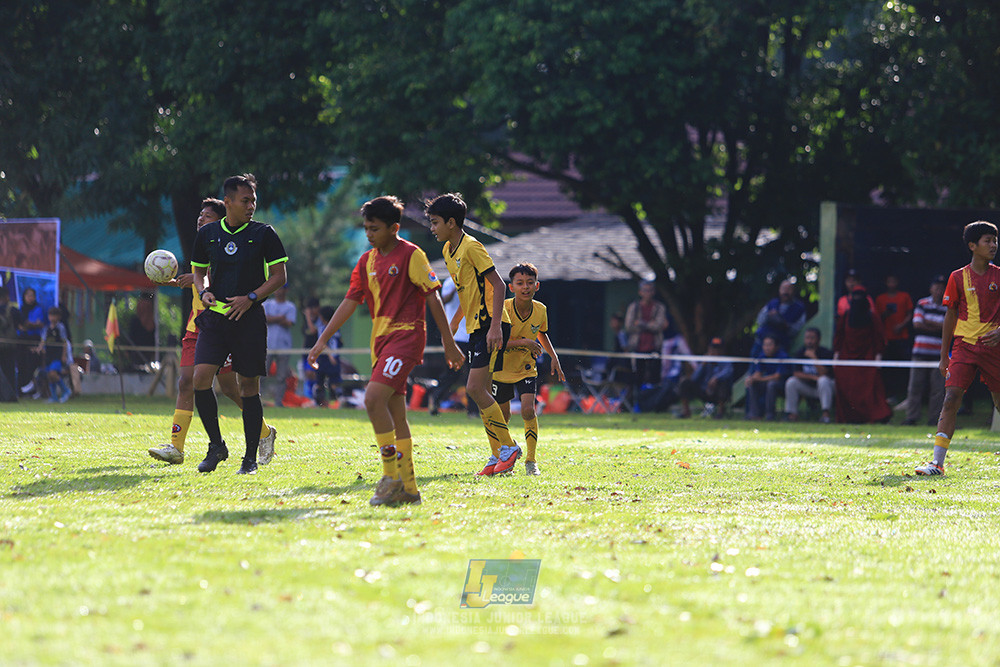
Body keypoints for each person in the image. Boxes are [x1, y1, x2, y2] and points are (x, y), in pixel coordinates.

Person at [308, 195, 464, 505]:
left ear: (394, 228)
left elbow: (433, 298)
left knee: (372, 398)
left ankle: (390, 475)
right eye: (366, 228)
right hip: (380, 343)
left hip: (406, 338)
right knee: (396, 413)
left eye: (374, 229)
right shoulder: (366, 261)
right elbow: (351, 300)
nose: (369, 234)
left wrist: (448, 341)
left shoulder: (412, 255)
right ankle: (409, 488)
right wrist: (323, 338)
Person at [146, 197, 277, 466]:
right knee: (188, 382)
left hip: (223, 325)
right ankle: (176, 447)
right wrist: (174, 280)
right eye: (200, 214)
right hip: (198, 328)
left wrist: (195, 283)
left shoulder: (229, 248)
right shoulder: (203, 247)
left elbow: (215, 281)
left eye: (206, 216)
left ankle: (263, 431)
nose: (200, 219)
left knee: (231, 389)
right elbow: (199, 279)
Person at [190, 174, 288, 475]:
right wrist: (204, 290)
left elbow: (278, 277)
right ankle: (216, 446)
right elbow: (199, 272)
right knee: (200, 378)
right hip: (216, 319)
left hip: (249, 321)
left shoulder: (264, 234)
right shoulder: (207, 234)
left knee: (248, 386)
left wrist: (250, 298)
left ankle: (249, 459)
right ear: (228, 202)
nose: (251, 206)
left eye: (253, 201)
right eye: (245, 201)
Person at [427, 192, 522, 476]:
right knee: (481, 393)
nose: (432, 228)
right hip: (474, 327)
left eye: (435, 223)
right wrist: (456, 321)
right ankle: (498, 456)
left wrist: (495, 327)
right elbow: (465, 291)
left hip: (491, 325)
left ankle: (508, 447)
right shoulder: (447, 251)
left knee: (474, 389)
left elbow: (500, 286)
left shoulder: (472, 247)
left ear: (452, 223)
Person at [916, 222, 1000, 475]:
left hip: (993, 348)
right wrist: (944, 355)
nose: (993, 245)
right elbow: (950, 316)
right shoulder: (957, 277)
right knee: (951, 398)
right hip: (964, 346)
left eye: (995, 240)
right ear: (972, 246)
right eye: (988, 240)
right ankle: (937, 463)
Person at [490, 262, 565, 476]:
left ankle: (531, 461)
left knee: (527, 410)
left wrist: (553, 356)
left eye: (530, 283)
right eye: (520, 283)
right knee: (502, 418)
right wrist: (525, 342)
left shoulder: (541, 310)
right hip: (501, 369)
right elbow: (498, 341)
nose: (525, 287)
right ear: (511, 287)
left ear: (537, 286)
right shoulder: (502, 308)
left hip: (526, 368)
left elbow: (542, 333)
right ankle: (506, 453)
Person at [833, 287, 892, 424]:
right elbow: (839, 337)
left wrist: (878, 356)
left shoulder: (872, 317)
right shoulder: (846, 316)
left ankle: (874, 417)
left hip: (867, 359)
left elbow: (879, 338)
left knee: (869, 390)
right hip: (847, 359)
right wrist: (836, 356)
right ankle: (849, 418)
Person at [428, 275, 476, 416]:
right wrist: (457, 286)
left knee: (472, 374)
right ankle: (435, 398)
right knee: (452, 373)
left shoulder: (473, 279)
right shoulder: (450, 282)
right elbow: (444, 300)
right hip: (456, 336)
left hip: (472, 335)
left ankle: (473, 410)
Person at [903, 275, 947, 426]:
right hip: (920, 352)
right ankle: (911, 417)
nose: (939, 290)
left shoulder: (948, 307)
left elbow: (948, 329)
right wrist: (938, 326)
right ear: (931, 288)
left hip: (938, 354)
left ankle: (934, 419)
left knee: (938, 389)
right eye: (936, 286)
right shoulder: (922, 303)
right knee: (915, 386)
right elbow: (917, 324)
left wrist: (928, 322)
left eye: (942, 287)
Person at [875, 273, 914, 401]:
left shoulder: (904, 297)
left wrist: (901, 325)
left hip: (902, 337)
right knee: (888, 368)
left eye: (894, 281)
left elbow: (910, 314)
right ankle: (890, 394)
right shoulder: (880, 299)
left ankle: (906, 394)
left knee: (904, 367)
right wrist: (885, 314)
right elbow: (877, 318)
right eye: (889, 281)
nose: (891, 284)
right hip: (887, 338)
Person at [784, 327, 835, 423]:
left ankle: (825, 415)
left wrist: (814, 358)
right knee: (791, 382)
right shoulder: (800, 352)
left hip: (826, 388)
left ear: (818, 340)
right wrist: (813, 377)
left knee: (823, 380)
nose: (809, 341)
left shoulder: (826, 353)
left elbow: (824, 373)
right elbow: (796, 373)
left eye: (812, 338)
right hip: (809, 387)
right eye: (807, 338)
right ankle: (792, 414)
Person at [637, 328, 693, 413]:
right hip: (666, 378)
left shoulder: (679, 340)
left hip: (675, 378)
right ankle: (651, 407)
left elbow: (690, 358)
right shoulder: (663, 340)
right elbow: (665, 364)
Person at [623, 280, 668, 386]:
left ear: (653, 292)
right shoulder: (633, 307)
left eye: (650, 290)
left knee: (654, 379)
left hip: (655, 347)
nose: (648, 293)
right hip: (637, 347)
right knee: (637, 378)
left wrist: (641, 323)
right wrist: (650, 325)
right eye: (645, 290)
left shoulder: (660, 307)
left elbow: (658, 326)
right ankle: (637, 401)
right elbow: (628, 326)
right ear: (640, 292)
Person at [677, 337, 734, 418]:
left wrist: (716, 378)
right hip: (704, 390)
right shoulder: (705, 362)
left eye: (717, 349)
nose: (714, 352)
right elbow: (694, 378)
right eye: (712, 349)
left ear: (721, 351)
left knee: (723, 384)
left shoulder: (725, 361)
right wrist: (702, 365)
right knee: (685, 382)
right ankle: (686, 411)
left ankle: (720, 412)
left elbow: (728, 372)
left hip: (718, 392)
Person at [263, 285, 297, 407]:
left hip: (284, 346)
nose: (278, 291)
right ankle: (259, 400)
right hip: (267, 345)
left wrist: (272, 318)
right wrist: (279, 318)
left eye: (281, 288)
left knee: (281, 376)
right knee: (261, 374)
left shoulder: (290, 306)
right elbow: (264, 318)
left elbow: (289, 322)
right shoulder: (267, 304)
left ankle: (278, 402)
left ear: (286, 290)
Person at [753, 279, 807, 354]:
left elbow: (797, 329)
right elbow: (760, 320)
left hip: (781, 345)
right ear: (779, 290)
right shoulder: (772, 303)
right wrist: (771, 317)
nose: (785, 292)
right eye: (783, 289)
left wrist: (783, 324)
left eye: (788, 289)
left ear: (793, 291)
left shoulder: (799, 308)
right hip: (761, 343)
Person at [744, 334, 789, 420]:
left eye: (769, 345)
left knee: (771, 385)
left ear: (776, 346)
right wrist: (751, 378)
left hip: (782, 384)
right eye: (765, 345)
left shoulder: (783, 356)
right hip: (768, 381)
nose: (767, 348)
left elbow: (777, 376)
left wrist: (761, 379)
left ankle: (770, 415)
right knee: (751, 384)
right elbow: (758, 373)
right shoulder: (762, 356)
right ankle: (754, 414)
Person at [34, 306, 72, 403]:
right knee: (49, 376)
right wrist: (39, 349)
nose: (52, 318)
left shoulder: (61, 328)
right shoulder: (46, 328)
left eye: (54, 316)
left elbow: (64, 342)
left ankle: (66, 390)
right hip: (48, 356)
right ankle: (54, 397)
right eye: (51, 315)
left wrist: (64, 355)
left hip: (57, 355)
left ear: (58, 317)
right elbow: (43, 341)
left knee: (53, 373)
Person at [312, 305, 342, 407]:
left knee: (332, 383)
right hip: (327, 358)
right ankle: (322, 404)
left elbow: (324, 344)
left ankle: (334, 404)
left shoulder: (326, 328)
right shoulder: (335, 327)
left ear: (322, 317)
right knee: (321, 383)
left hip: (328, 358)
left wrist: (331, 355)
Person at [16, 286, 44, 394]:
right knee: (21, 364)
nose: (30, 298)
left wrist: (29, 325)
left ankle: (31, 389)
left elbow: (37, 323)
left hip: (33, 340)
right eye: (28, 296)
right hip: (22, 340)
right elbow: (21, 325)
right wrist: (30, 325)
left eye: (32, 296)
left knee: (31, 365)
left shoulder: (38, 308)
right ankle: (20, 389)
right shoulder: (21, 309)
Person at [0, 285, 21, 402]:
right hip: (10, 345)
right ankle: (11, 396)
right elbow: (21, 326)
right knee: (10, 371)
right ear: (7, 296)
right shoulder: (13, 310)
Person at [127, 294, 156, 370]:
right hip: (136, 354)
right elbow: (131, 337)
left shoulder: (152, 322)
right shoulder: (135, 321)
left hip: (147, 355)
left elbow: (152, 339)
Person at [300, 297, 321, 400]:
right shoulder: (305, 323)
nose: (311, 311)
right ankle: (309, 397)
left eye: (313, 308)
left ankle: (317, 397)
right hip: (306, 352)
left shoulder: (320, 321)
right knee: (307, 374)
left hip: (317, 352)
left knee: (314, 373)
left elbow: (313, 331)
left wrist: (308, 317)